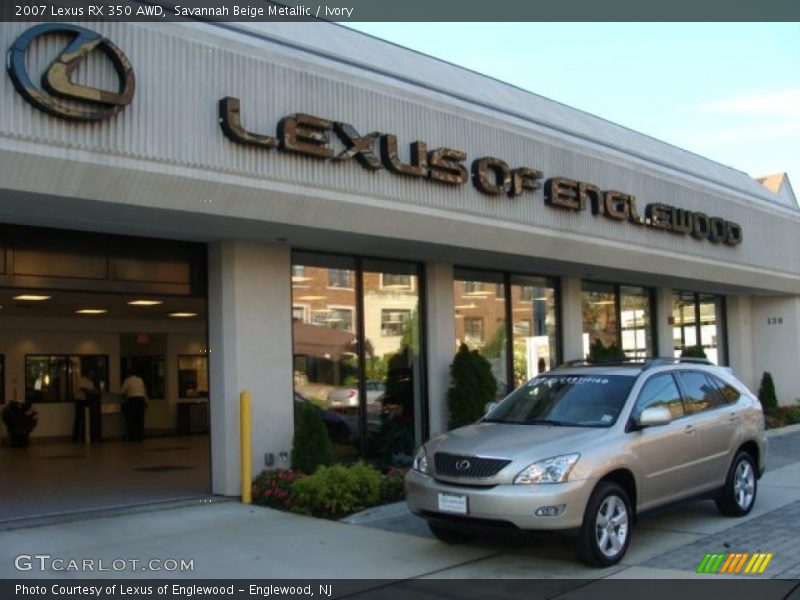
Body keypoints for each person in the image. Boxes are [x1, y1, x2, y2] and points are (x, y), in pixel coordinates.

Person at [121, 370, 148, 441]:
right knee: (140, 419)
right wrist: (146, 401)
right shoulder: (140, 380)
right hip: (141, 400)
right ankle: (140, 436)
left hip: (132, 400)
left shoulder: (127, 380)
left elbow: (123, 391)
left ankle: (132, 436)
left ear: (128, 374)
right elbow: (144, 391)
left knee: (131, 419)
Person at [72, 371, 96, 443]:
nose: (92, 376)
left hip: (87, 401)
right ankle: (76, 438)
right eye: (91, 374)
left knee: (86, 419)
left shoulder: (91, 382)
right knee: (78, 419)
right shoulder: (81, 380)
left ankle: (83, 437)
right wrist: (91, 391)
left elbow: (92, 391)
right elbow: (82, 389)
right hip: (80, 401)